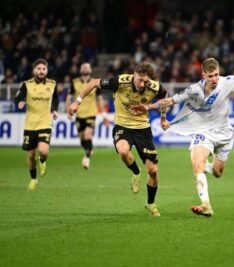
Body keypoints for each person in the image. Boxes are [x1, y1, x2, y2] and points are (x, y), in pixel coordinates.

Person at [139, 58, 234, 217]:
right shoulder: (194, 89)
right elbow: (169, 101)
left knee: (218, 172)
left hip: (224, 133)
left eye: (217, 75)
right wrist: (149, 107)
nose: (214, 79)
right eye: (210, 76)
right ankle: (206, 205)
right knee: (197, 163)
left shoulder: (226, 82)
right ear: (203, 74)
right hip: (203, 133)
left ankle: (205, 167)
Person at [67, 62, 168, 216]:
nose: (142, 84)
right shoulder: (120, 81)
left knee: (153, 170)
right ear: (134, 74)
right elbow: (94, 83)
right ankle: (136, 172)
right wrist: (77, 102)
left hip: (143, 129)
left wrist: (163, 117)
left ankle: (150, 203)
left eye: (145, 81)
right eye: (139, 80)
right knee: (123, 150)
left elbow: (166, 97)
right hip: (123, 126)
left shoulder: (154, 87)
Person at [14, 58, 59, 191]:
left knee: (44, 151)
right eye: (39, 69)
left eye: (44, 69)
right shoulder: (26, 84)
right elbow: (17, 96)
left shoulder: (52, 84)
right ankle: (34, 179)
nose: (41, 71)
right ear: (34, 70)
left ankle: (43, 160)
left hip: (45, 123)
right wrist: (20, 102)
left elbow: (55, 98)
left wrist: (54, 110)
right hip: (30, 125)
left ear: (47, 70)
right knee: (30, 155)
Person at [66, 63, 109, 169]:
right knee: (82, 139)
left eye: (87, 67)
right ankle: (89, 150)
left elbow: (99, 99)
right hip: (79, 114)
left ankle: (87, 157)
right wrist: (69, 110)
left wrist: (103, 114)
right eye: (83, 67)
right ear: (80, 70)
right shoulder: (74, 82)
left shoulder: (94, 82)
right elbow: (69, 97)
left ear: (90, 70)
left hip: (91, 113)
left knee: (87, 135)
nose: (85, 68)